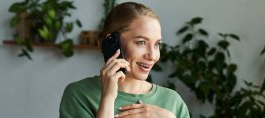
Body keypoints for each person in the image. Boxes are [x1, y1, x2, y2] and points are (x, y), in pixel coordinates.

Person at [60, 2, 190, 118]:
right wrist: (108, 98)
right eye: (141, 42)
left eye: (157, 44)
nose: (152, 56)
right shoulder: (79, 95)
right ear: (110, 43)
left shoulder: (172, 101)